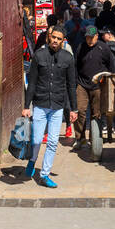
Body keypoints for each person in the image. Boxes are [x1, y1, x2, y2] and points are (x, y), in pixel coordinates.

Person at [23, 26, 77, 187]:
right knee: (37, 139)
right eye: (53, 37)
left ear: (63, 41)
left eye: (59, 39)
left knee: (53, 141)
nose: (55, 40)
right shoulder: (39, 55)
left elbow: (71, 85)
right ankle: (32, 160)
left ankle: (44, 174)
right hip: (40, 104)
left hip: (58, 106)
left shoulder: (68, 58)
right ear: (49, 37)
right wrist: (27, 106)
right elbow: (31, 82)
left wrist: (73, 109)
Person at [74, 26, 115, 146]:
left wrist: (109, 81)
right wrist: (76, 81)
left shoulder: (104, 48)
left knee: (96, 113)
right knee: (80, 110)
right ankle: (80, 138)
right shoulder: (81, 47)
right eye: (87, 37)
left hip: (98, 86)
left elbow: (111, 66)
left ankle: (94, 139)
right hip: (82, 84)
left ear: (97, 36)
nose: (89, 40)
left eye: (91, 37)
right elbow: (76, 65)